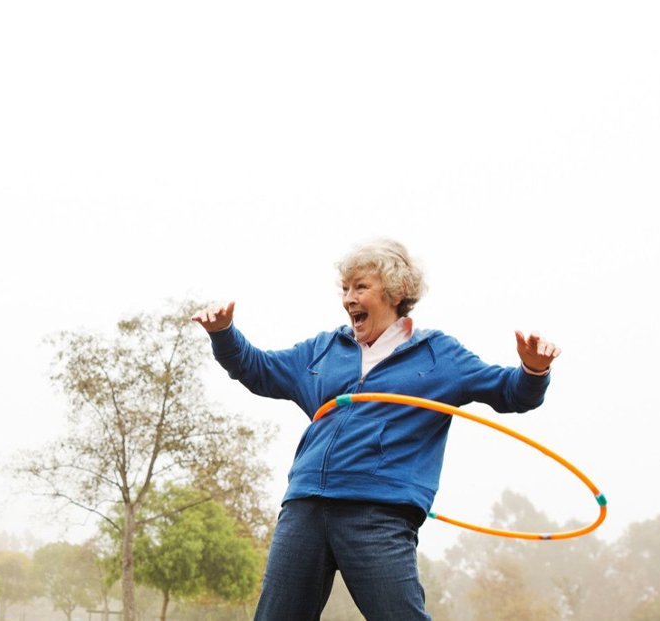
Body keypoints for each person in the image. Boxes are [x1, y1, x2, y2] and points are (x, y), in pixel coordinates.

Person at [191, 239, 559, 621]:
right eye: (345, 289)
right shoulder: (324, 349)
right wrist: (224, 333)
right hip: (305, 507)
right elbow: (258, 369)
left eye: (360, 287)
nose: (349, 298)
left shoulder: (439, 356)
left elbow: (510, 392)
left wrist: (534, 370)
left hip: (378, 513)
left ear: (397, 292)